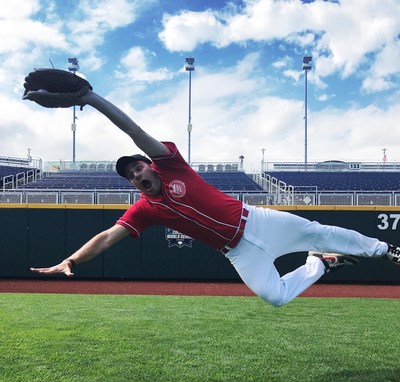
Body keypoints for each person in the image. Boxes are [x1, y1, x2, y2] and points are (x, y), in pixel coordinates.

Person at [28, 89, 400, 307]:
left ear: (151, 165)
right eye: (130, 175)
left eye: (138, 167)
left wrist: (92, 99)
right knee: (275, 297)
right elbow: (108, 236)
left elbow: (133, 129)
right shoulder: (145, 209)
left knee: (319, 229)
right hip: (238, 252)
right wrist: (71, 259)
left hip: (256, 221)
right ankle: (322, 264)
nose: (136, 174)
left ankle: (383, 249)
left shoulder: (171, 164)